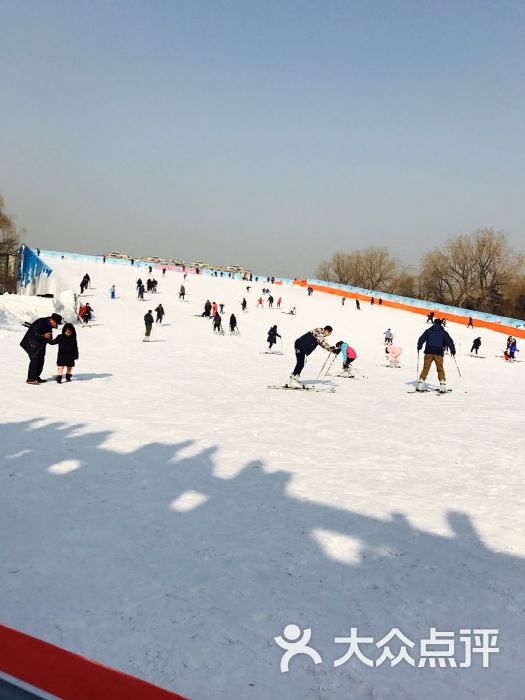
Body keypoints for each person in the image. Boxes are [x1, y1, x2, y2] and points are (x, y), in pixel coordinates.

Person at [20, 313, 63, 384]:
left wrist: (59, 339)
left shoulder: (49, 326)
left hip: (40, 345)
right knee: (35, 359)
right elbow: (33, 333)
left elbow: (50, 341)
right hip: (31, 343)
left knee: (41, 360)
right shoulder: (41, 322)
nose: (56, 325)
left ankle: (36, 377)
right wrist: (43, 335)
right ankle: (30, 379)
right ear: (52, 320)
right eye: (56, 323)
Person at [416, 319, 456, 392]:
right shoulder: (444, 332)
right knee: (440, 369)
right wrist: (453, 350)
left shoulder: (428, 331)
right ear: (441, 324)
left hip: (428, 351)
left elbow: (421, 338)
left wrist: (419, 346)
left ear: (434, 323)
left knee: (426, 368)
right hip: (439, 353)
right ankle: (442, 385)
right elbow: (449, 341)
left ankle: (420, 384)